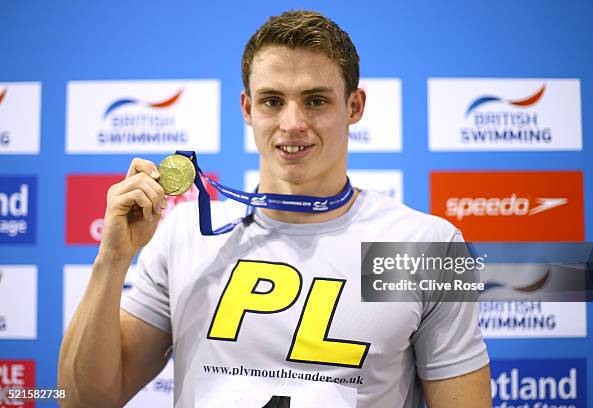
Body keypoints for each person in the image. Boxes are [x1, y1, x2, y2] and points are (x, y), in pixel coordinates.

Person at [58, 10, 491, 408]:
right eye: (272, 101)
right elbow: (80, 401)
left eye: (316, 100)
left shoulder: (425, 245)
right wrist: (112, 259)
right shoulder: (184, 232)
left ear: (354, 107)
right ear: (248, 108)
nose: (292, 124)